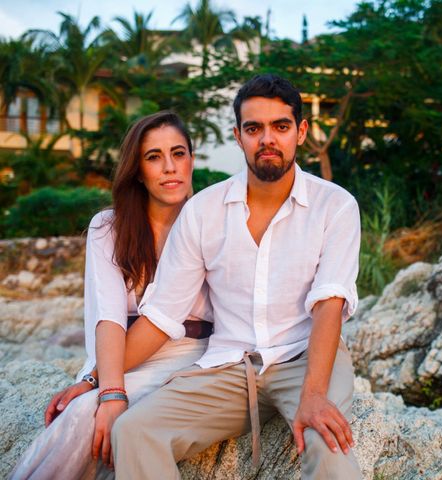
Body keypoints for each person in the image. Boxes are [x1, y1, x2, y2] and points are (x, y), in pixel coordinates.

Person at [110, 74, 362, 480]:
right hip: (230, 367)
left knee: (328, 445)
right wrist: (95, 380)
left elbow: (329, 303)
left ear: (300, 131)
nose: (267, 139)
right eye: (253, 128)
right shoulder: (203, 211)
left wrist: (314, 395)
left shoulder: (335, 206)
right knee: (134, 431)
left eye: (280, 127)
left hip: (305, 359)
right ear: (238, 135)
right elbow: (161, 315)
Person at [10, 111, 213, 480]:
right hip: (115, 354)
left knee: (86, 416)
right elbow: (108, 316)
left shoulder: (210, 223)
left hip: (186, 357)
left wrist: (100, 385)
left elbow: (167, 322)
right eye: (154, 157)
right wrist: (101, 383)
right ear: (137, 170)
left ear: (192, 159)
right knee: (82, 413)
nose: (169, 167)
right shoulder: (108, 226)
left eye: (178, 153)